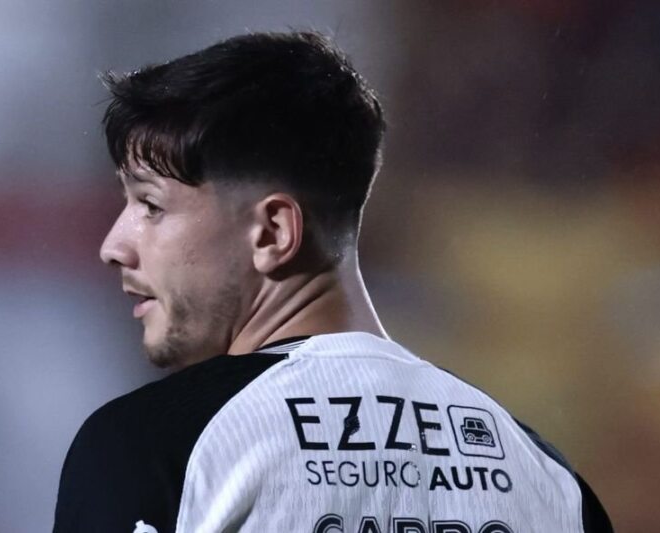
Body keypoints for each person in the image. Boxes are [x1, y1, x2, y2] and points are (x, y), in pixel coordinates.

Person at [54, 31, 612, 532]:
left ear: (273, 232)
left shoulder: (153, 448)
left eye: (151, 206)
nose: (114, 246)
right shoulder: (551, 482)